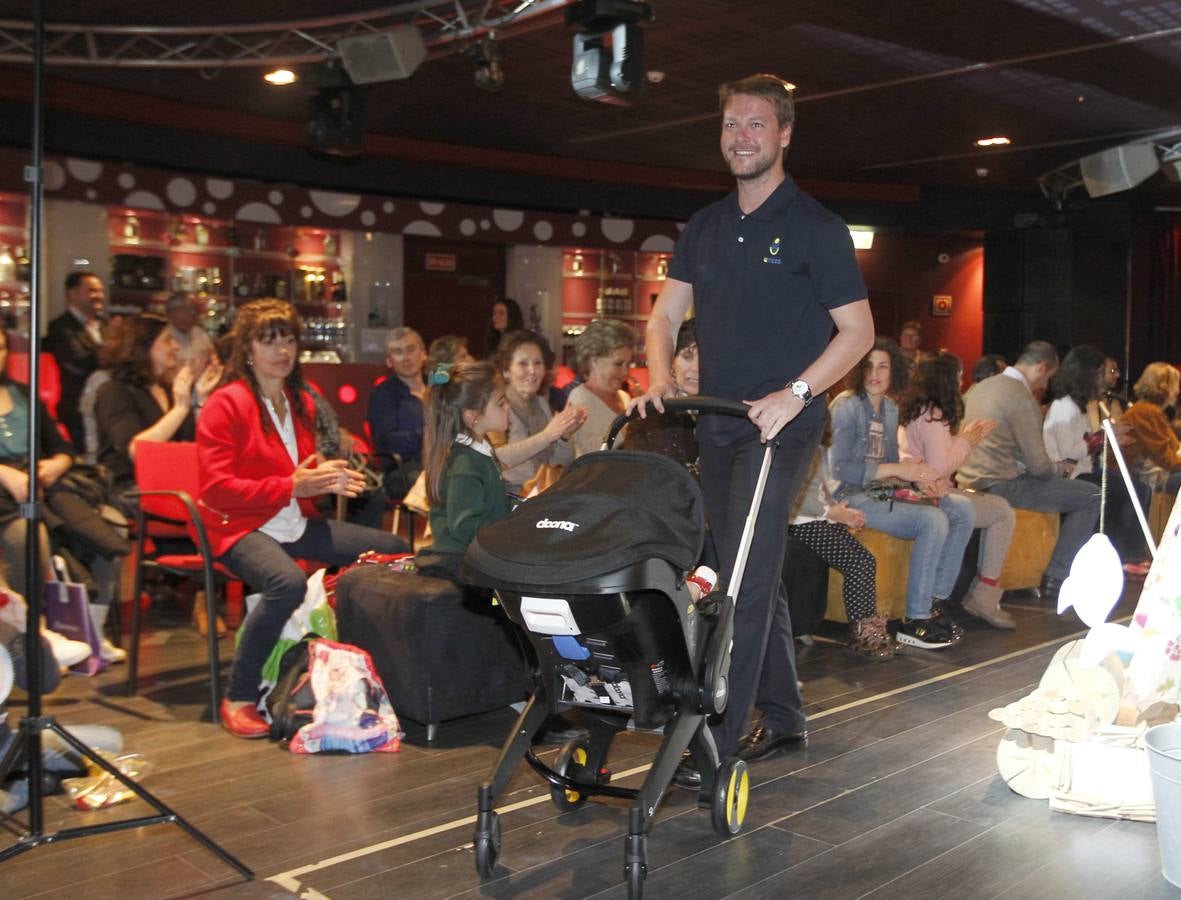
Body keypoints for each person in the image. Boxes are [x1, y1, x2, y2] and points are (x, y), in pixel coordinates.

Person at [633, 73, 875, 783]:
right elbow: (662, 317)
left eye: (755, 125)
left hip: (782, 425)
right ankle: (787, 712)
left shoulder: (815, 228)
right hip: (715, 423)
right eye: (731, 125)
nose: (741, 137)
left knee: (739, 576)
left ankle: (716, 738)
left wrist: (796, 393)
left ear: (785, 134)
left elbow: (857, 332)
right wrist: (657, 374)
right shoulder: (705, 226)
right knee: (751, 567)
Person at [197, 300, 407, 738]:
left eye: (288, 339)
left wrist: (328, 477)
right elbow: (217, 489)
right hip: (236, 526)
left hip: (289, 519)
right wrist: (294, 486)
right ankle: (238, 695)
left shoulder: (298, 401)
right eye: (268, 340)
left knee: (394, 551)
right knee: (286, 582)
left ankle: (362, 667)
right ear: (247, 348)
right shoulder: (226, 403)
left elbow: (299, 471)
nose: (281, 350)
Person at [830, 339, 976, 647]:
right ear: (857, 370)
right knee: (932, 520)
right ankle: (915, 619)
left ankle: (936, 601)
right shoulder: (846, 406)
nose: (875, 373)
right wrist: (899, 472)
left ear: (893, 371)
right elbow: (840, 469)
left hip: (882, 492)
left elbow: (893, 461)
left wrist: (919, 478)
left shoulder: (891, 408)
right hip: (849, 496)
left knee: (961, 510)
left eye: (883, 365)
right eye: (868, 365)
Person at [0, 324, 130, 662]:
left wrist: (53, 466)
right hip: (8, 500)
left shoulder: (23, 395)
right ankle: (36, 630)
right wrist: (5, 474)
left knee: (110, 526)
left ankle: (92, 629)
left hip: (43, 485)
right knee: (30, 533)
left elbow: (62, 448)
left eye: (1, 348)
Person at [957, 341, 1100, 602]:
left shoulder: (980, 387)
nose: (1045, 386)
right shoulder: (1020, 397)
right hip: (1002, 483)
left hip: (968, 478)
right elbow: (1039, 466)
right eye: (1047, 378)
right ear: (1041, 367)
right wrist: (1060, 470)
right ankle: (1057, 577)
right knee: (1091, 496)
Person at [898, 351, 1017, 628]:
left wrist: (964, 440)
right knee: (1003, 513)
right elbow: (939, 467)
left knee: (994, 508)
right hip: (932, 492)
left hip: (928, 489)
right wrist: (966, 441)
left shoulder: (919, 410)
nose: (963, 382)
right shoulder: (933, 416)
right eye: (960, 377)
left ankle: (958, 596)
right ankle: (983, 595)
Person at [788, 414, 897, 659]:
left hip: (814, 519)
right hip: (801, 523)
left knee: (865, 560)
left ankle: (868, 627)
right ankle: (863, 631)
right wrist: (834, 513)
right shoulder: (799, 449)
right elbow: (800, 498)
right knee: (858, 563)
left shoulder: (814, 449)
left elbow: (820, 493)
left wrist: (840, 512)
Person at [93, 314, 222, 511]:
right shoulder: (114, 391)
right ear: (143, 347)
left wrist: (201, 399)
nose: (176, 347)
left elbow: (189, 443)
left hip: (176, 483)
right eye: (168, 340)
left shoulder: (168, 390)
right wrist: (180, 409)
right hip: (132, 488)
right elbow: (136, 451)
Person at [417, 360, 513, 576]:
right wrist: (507, 532)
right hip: (461, 563)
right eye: (500, 402)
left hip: (477, 555)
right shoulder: (465, 464)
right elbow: (465, 527)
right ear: (472, 416)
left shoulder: (480, 450)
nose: (508, 407)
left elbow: (492, 503)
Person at [489, 329, 586, 495]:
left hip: (541, 494)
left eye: (537, 363)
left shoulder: (541, 404)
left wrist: (564, 436)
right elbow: (497, 459)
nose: (532, 371)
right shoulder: (496, 406)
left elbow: (558, 462)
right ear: (506, 371)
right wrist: (547, 435)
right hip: (508, 495)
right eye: (523, 364)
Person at [623, 318, 700, 471]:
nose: (696, 368)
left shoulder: (725, 414)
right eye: (687, 356)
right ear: (671, 361)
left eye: (705, 359)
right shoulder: (650, 415)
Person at [45, 271, 106, 448]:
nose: (99, 296)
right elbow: (78, 362)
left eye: (100, 291)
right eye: (92, 291)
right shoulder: (60, 327)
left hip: (104, 406)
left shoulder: (105, 324)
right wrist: (110, 354)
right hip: (76, 408)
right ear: (73, 293)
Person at [366, 327, 427, 503]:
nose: (406, 358)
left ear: (423, 354)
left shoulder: (440, 389)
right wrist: (428, 434)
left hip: (443, 461)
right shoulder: (382, 395)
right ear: (389, 361)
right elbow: (387, 441)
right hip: (402, 469)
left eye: (410, 349)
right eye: (397, 352)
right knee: (442, 480)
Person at [567, 318, 635, 458]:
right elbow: (592, 452)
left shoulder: (624, 397)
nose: (625, 373)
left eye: (628, 364)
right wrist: (635, 426)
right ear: (594, 361)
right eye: (618, 364)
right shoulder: (580, 399)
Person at [1122, 362, 1181, 495]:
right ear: (1163, 386)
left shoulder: (1149, 410)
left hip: (1156, 474)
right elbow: (1165, 459)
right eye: (1175, 385)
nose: (1178, 390)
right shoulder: (1146, 412)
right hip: (1149, 479)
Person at [164, 292, 215, 374]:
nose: (195, 315)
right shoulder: (162, 337)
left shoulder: (200, 333)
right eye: (191, 310)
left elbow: (213, 359)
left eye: (195, 311)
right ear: (174, 312)